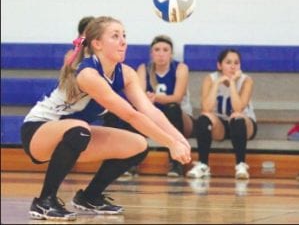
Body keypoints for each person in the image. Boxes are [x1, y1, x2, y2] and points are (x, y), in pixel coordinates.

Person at [20, 16, 191, 221]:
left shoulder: (126, 73)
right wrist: (169, 143)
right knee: (80, 128)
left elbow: (149, 110)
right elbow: (130, 115)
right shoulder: (88, 74)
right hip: (38, 133)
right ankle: (44, 201)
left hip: (73, 135)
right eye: (115, 36)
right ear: (97, 44)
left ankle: (90, 196)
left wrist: (179, 139)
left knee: (138, 144)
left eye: (124, 35)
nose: (123, 41)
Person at [186, 49, 257, 180]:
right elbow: (206, 108)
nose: (233, 66)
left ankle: (241, 165)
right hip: (221, 125)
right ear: (219, 65)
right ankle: (203, 164)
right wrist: (217, 83)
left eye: (236, 62)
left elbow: (238, 108)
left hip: (244, 125)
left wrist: (233, 84)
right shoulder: (210, 79)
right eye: (228, 62)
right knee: (203, 119)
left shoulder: (246, 81)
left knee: (237, 117)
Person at [136, 35, 195, 177]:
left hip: (180, 116)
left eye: (165, 50)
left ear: (171, 54)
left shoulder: (180, 68)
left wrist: (154, 98)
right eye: (157, 50)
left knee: (172, 107)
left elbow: (177, 97)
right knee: (133, 113)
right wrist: (146, 100)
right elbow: (138, 95)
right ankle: (130, 162)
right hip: (153, 117)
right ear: (151, 54)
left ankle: (176, 164)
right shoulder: (144, 69)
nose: (161, 53)